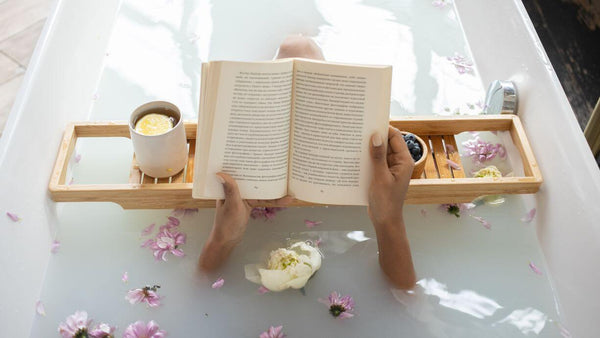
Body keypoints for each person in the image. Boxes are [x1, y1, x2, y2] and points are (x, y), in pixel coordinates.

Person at [199, 36, 416, 290]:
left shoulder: (369, 180)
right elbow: (199, 289)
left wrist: (388, 218)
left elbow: (405, 297)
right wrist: (224, 237)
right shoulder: (238, 191)